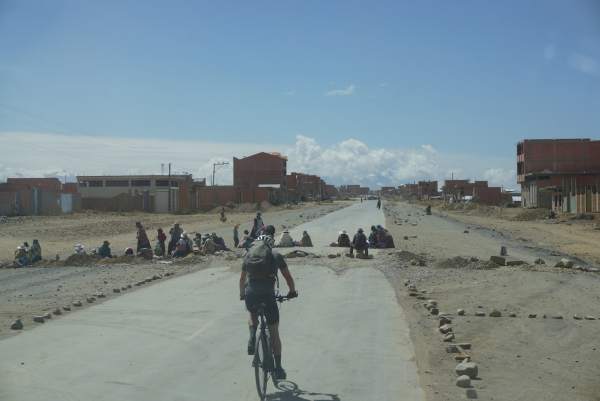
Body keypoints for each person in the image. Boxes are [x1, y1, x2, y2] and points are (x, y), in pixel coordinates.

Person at [239, 225, 297, 381]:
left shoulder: (249, 254)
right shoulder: (275, 255)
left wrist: (242, 294)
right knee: (274, 333)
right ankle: (278, 368)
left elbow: (242, 279)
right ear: (271, 242)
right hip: (268, 296)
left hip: (251, 292)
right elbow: (288, 278)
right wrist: (292, 292)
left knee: (252, 314)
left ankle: (252, 336)